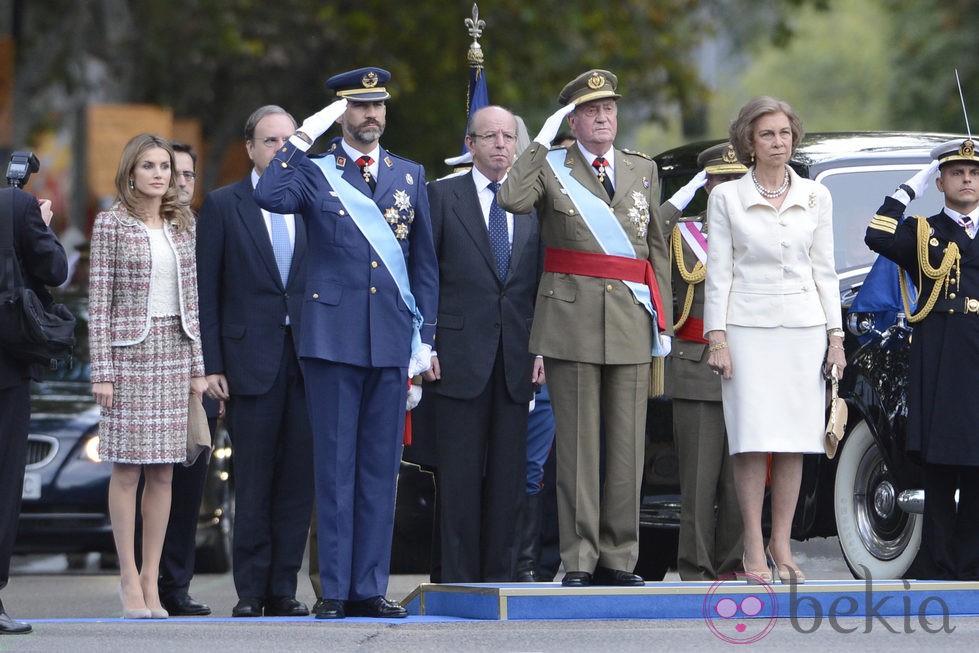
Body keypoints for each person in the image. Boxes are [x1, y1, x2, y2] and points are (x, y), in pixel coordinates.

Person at [255, 67, 438, 619]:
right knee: (334, 468)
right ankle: (334, 589)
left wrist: (423, 339)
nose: (371, 115)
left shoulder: (408, 175)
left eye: (378, 105)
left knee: (381, 471)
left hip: (388, 338)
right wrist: (302, 138)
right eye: (359, 107)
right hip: (332, 338)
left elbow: (423, 265)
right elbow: (269, 193)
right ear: (341, 113)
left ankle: (368, 587)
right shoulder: (313, 171)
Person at [498, 69, 672, 587]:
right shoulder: (551, 167)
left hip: (630, 320)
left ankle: (619, 558)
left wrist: (661, 317)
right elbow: (511, 199)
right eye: (591, 111)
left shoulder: (641, 169)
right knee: (576, 448)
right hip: (570, 318)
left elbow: (655, 248)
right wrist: (542, 141)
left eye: (610, 109)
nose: (603, 118)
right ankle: (579, 558)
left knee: (626, 448)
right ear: (572, 120)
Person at [703, 97, 845, 585]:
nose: (778, 142)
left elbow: (824, 270)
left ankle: (782, 544)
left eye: (785, 133)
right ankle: (752, 545)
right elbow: (718, 272)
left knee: (793, 442)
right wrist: (716, 337)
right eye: (767, 134)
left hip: (804, 328)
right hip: (745, 329)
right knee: (750, 440)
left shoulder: (816, 196)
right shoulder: (725, 198)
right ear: (748, 141)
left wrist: (836, 337)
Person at [196, 106, 313, 618]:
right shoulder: (224, 204)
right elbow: (208, 292)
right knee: (255, 478)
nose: (280, 149)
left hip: (311, 361)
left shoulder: (316, 200)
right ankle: (250, 591)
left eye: (289, 141)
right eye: (270, 141)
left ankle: (283, 590)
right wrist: (212, 363)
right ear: (250, 148)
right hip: (248, 361)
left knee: (297, 480)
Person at [423, 105, 544, 582]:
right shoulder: (440, 196)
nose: (500, 144)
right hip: (456, 357)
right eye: (489, 136)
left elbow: (538, 283)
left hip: (517, 358)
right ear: (469, 144)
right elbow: (425, 276)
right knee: (457, 476)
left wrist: (540, 350)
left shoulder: (535, 201)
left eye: (508, 136)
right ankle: (456, 577)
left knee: (510, 477)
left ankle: (502, 577)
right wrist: (424, 345)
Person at [89, 134, 208, 618]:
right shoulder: (110, 224)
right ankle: (126, 579)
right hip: (128, 356)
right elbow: (99, 304)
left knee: (164, 471)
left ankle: (150, 582)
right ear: (131, 173)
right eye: (149, 166)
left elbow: (193, 302)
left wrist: (199, 367)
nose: (160, 174)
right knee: (127, 469)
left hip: (175, 351)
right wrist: (103, 371)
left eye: (165, 166)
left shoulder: (184, 224)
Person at [865, 138, 979, 580]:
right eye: (956, 172)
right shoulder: (922, 231)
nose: (967, 179)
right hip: (942, 354)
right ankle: (939, 561)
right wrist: (911, 185)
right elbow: (877, 232)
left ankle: (971, 563)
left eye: (973, 172)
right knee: (941, 465)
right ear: (941, 181)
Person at [660, 142, 746, 581]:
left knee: (740, 482)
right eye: (718, 179)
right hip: (696, 366)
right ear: (705, 184)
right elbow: (646, 234)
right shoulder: (682, 234)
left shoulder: (759, 231)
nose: (728, 187)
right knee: (697, 480)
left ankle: (734, 564)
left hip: (750, 368)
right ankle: (695, 568)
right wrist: (682, 196)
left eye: (736, 178)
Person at [141, 141, 211, 617]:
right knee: (142, 477)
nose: (180, 181)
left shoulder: (204, 230)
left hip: (196, 373)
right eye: (172, 172)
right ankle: (142, 580)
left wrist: (212, 371)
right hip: (147, 367)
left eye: (187, 174)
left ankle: (175, 583)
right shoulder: (142, 230)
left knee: (188, 476)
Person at [0, 187, 67, 635]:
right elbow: (55, 270)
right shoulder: (15, 205)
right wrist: (40, 224)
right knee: (3, 486)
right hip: (5, 369)